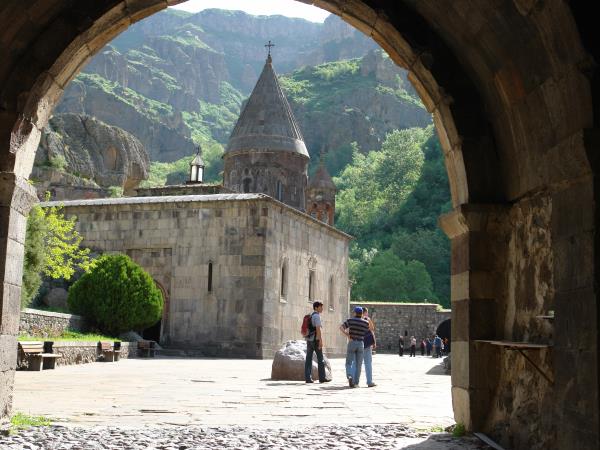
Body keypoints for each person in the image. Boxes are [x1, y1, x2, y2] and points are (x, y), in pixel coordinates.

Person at [340, 306, 370, 387]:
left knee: (349, 362)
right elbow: (367, 331)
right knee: (359, 364)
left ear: (355, 313)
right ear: (362, 313)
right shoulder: (365, 323)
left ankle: (349, 375)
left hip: (352, 342)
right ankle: (356, 382)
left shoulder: (350, 321)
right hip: (360, 343)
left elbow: (341, 327)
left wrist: (347, 334)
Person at [304, 301, 330, 383]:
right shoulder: (317, 316)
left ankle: (308, 378)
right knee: (320, 359)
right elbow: (318, 329)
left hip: (309, 340)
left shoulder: (311, 316)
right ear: (316, 307)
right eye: (320, 307)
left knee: (308, 359)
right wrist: (320, 341)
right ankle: (322, 378)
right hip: (315, 339)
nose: (322, 308)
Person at [361, 307, 377, 387]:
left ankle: (353, 380)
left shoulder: (356, 320)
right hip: (366, 344)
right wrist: (369, 320)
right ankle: (369, 381)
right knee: (368, 363)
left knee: (356, 363)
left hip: (359, 343)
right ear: (365, 313)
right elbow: (372, 329)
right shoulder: (367, 320)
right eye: (366, 312)